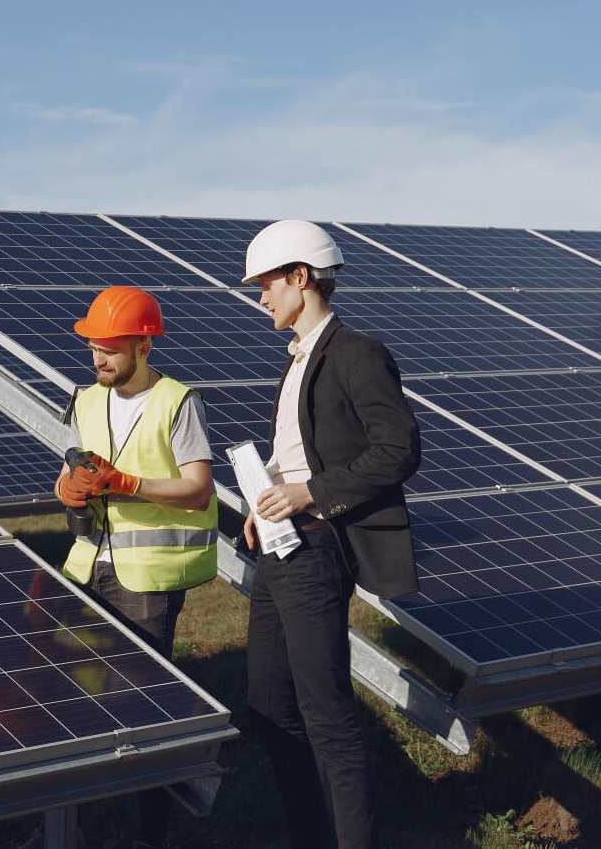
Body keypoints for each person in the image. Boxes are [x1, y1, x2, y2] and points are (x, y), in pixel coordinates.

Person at [241, 220, 421, 849]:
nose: (260, 296)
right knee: (266, 700)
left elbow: (399, 449)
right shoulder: (297, 360)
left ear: (301, 278)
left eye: (266, 282)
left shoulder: (356, 353)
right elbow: (300, 452)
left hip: (319, 549)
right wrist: (267, 498)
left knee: (328, 718)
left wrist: (308, 493)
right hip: (280, 544)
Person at [54, 284, 219, 849]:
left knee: (144, 706)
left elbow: (199, 491)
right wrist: (70, 490)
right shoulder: (84, 398)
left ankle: (148, 835)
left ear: (144, 346)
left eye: (111, 348)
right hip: (85, 567)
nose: (99, 358)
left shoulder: (179, 402)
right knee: (66, 698)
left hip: (147, 580)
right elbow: (67, 474)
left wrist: (127, 483)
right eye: (94, 347)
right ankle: (63, 829)